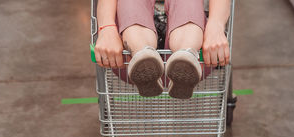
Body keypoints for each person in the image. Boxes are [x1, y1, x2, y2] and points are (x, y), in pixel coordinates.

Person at [95, 0, 231, 99]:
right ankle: (146, 55)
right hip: (127, 57)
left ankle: (183, 56)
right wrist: (107, 29)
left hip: (196, 56)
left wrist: (216, 27)